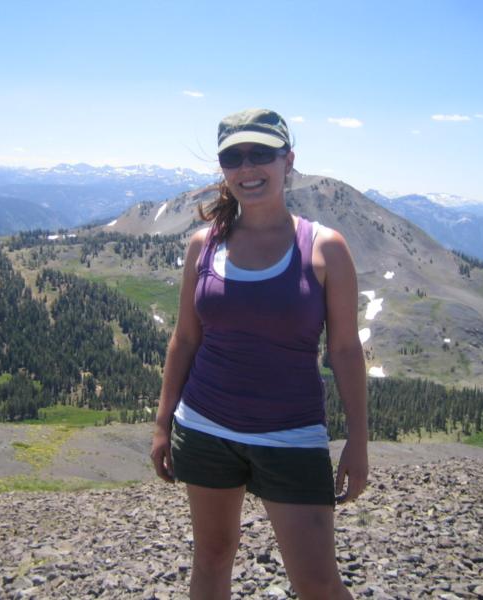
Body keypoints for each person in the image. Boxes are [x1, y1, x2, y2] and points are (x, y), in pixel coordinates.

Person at [150, 108, 368, 599]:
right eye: (234, 157)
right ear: (223, 169)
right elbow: (185, 340)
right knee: (210, 559)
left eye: (261, 154)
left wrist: (358, 440)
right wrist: (164, 424)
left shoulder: (325, 247)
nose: (248, 168)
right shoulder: (203, 245)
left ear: (288, 160)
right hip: (204, 428)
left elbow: (346, 350)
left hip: (291, 434)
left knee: (317, 582)